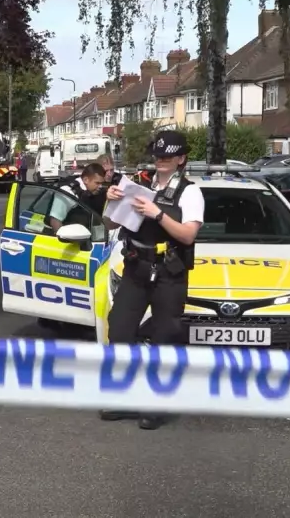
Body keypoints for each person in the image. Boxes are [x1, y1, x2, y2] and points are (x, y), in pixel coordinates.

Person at [100, 130, 205, 431]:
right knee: (119, 330)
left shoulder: (190, 192)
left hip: (168, 273)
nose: (160, 161)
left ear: (181, 159)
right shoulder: (140, 185)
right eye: (157, 156)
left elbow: (187, 234)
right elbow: (111, 223)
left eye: (167, 157)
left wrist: (157, 214)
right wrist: (110, 202)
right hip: (136, 267)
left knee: (164, 338)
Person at [48, 163, 107, 233]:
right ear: (86, 180)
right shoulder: (68, 192)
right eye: (97, 183)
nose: (100, 187)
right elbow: (55, 221)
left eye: (101, 183)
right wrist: (66, 239)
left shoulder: (92, 192)